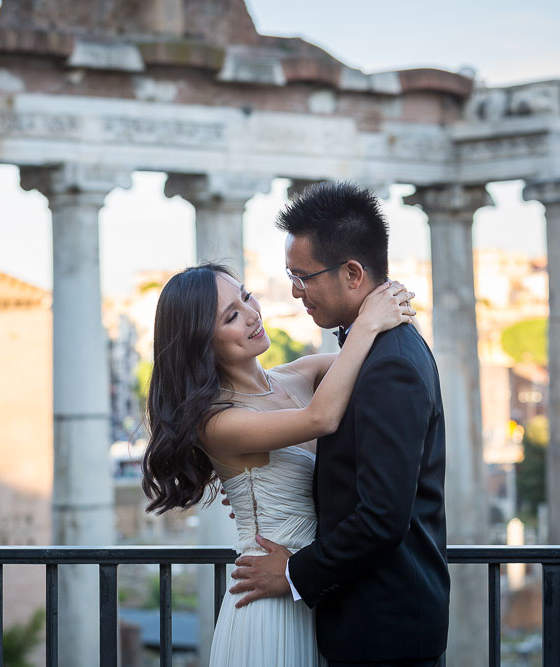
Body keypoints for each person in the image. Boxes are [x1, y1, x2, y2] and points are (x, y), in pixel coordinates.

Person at [141, 260, 414, 665]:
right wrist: (368, 323)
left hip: (318, 589)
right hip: (269, 600)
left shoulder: (299, 376)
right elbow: (320, 418)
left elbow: (382, 363)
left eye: (247, 297)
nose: (253, 315)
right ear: (202, 341)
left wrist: (384, 305)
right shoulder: (216, 421)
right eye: (232, 316)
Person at [229, 181, 450, 667]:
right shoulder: (370, 351)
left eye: (302, 276)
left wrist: (292, 574)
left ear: (352, 274)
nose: (293, 291)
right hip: (359, 619)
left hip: (383, 629)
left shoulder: (389, 361)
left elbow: (383, 516)